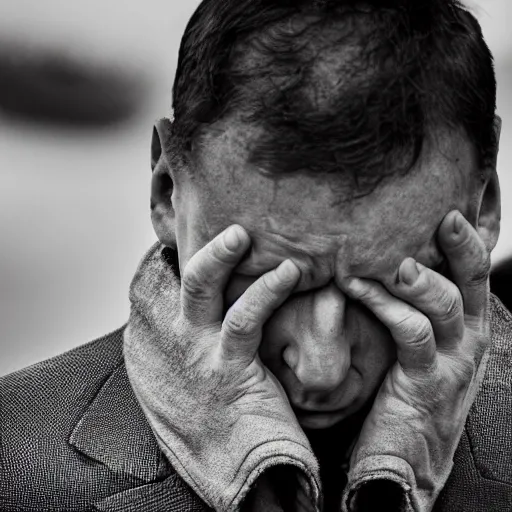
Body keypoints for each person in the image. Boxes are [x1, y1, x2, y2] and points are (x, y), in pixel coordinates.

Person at [1, 0, 509, 511]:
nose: (321, 370)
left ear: (483, 207)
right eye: (263, 281)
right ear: (165, 191)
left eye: (386, 289)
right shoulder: (13, 462)